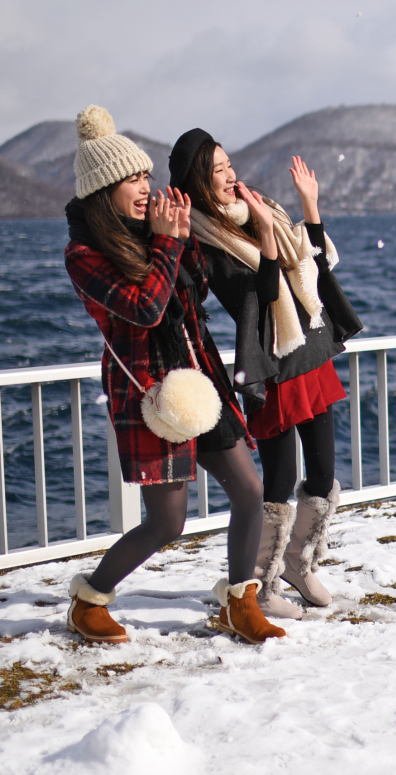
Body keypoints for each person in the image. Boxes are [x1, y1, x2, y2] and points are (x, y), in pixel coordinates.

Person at [62, 106, 284, 644]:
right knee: (167, 523)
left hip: (198, 379)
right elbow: (145, 309)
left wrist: (185, 239)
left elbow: (192, 295)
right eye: (131, 180)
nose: (144, 188)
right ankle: (89, 599)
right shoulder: (85, 253)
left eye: (144, 176)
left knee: (250, 490)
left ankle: (240, 602)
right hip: (152, 396)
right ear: (103, 189)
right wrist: (167, 242)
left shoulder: (157, 231)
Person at [169, 130, 363, 619]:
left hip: (308, 355)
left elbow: (313, 269)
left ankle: (299, 562)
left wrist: (309, 208)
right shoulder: (207, 239)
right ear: (199, 181)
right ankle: (263, 579)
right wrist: (267, 235)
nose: (231, 176)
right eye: (218, 171)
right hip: (272, 366)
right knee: (279, 482)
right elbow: (261, 294)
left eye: (230, 165)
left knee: (323, 473)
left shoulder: (263, 210)